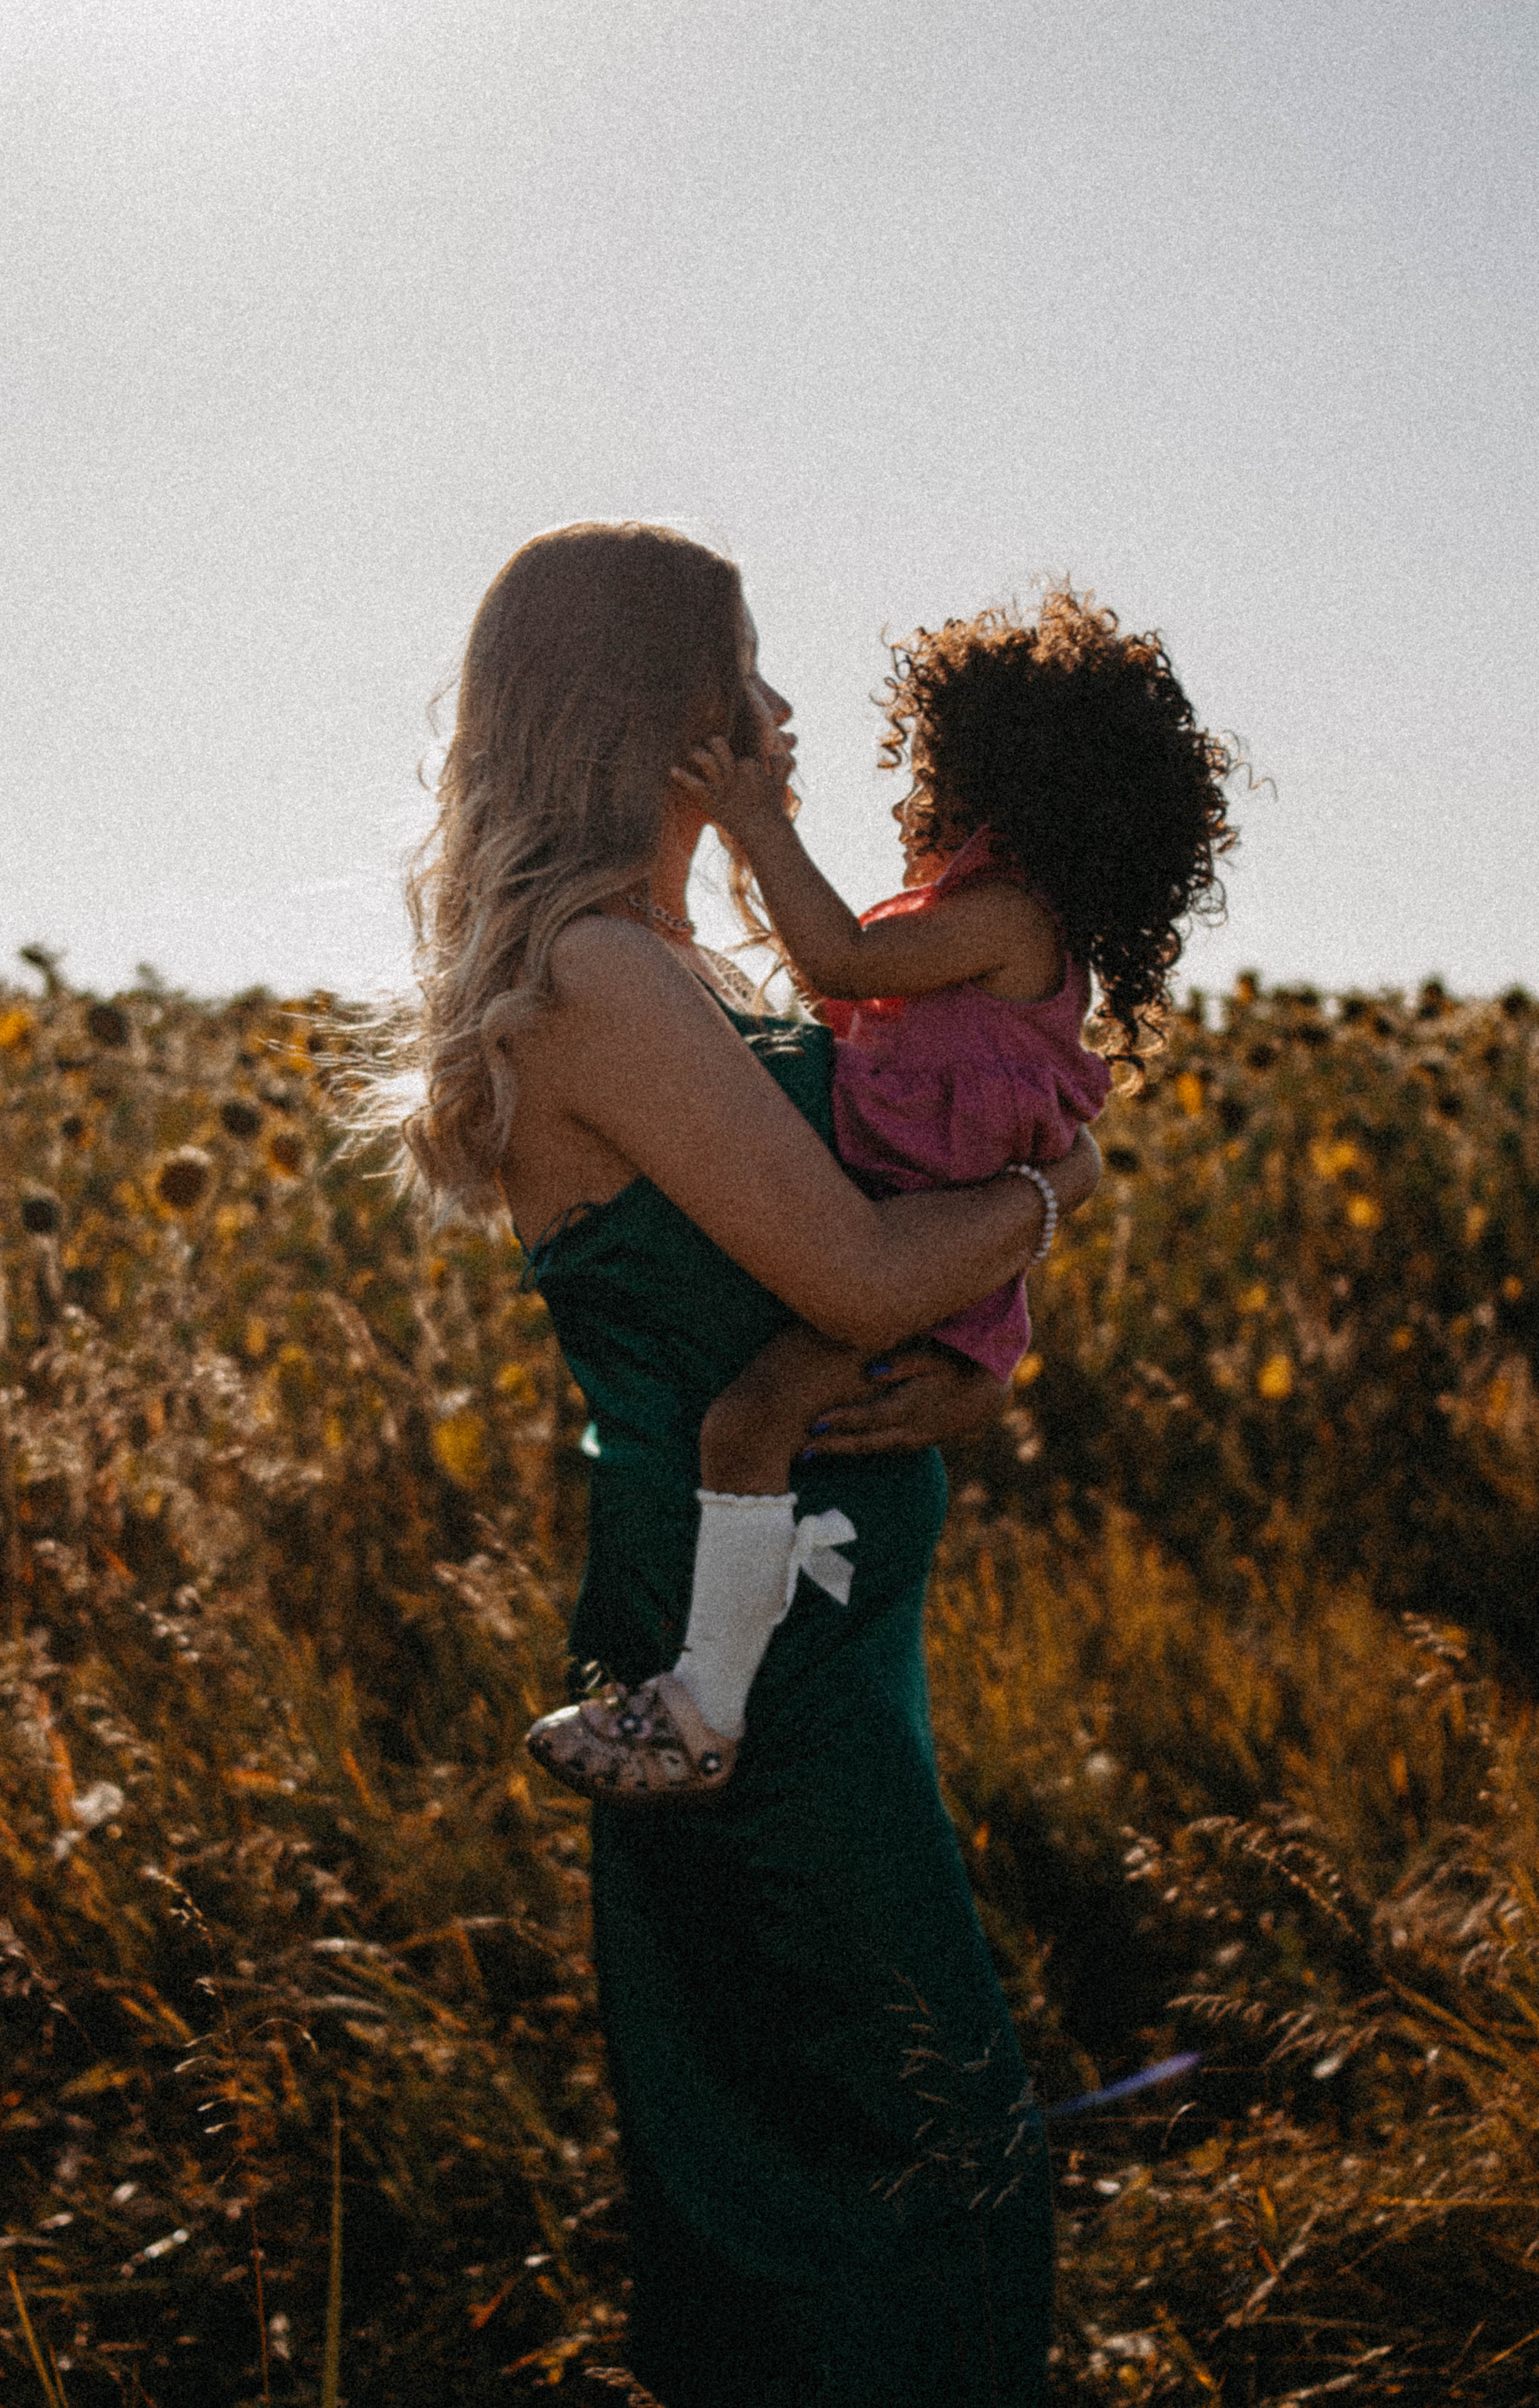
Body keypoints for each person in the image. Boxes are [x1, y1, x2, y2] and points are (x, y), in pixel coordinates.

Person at [396, 520, 1103, 2405]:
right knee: (893, 2127)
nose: (787, 713)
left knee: (844, 2124)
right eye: (749, 672)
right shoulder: (603, 976)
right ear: (655, 710)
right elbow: (866, 1266)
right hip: (748, 1660)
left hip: (822, 1629)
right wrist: (1057, 1189)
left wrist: (954, 1371)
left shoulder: (686, 969)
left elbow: (876, 1291)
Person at [529, 579, 1237, 1807]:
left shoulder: (1006, 918)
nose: (918, 786)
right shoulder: (988, 924)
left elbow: (840, 963)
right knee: (748, 1429)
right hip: (921, 1253)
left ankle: (700, 1710)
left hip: (914, 1263)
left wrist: (754, 824)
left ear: (1002, 781)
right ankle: (700, 1698)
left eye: (936, 763)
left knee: (744, 1430)